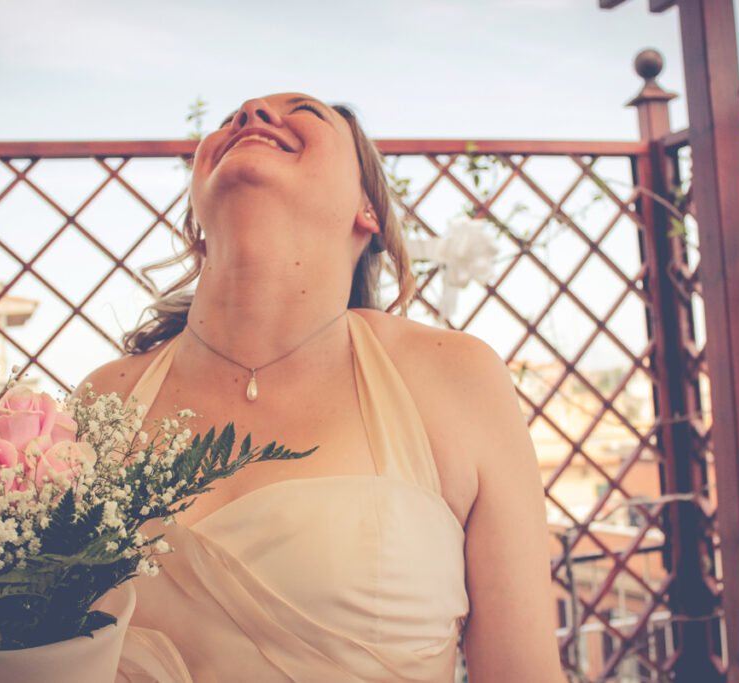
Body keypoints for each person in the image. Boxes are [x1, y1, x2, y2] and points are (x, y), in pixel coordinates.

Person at [81, 93, 564, 682]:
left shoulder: (454, 377)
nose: (251, 116)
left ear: (368, 208)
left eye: (301, 111)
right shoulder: (102, 400)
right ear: (197, 222)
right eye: (234, 118)